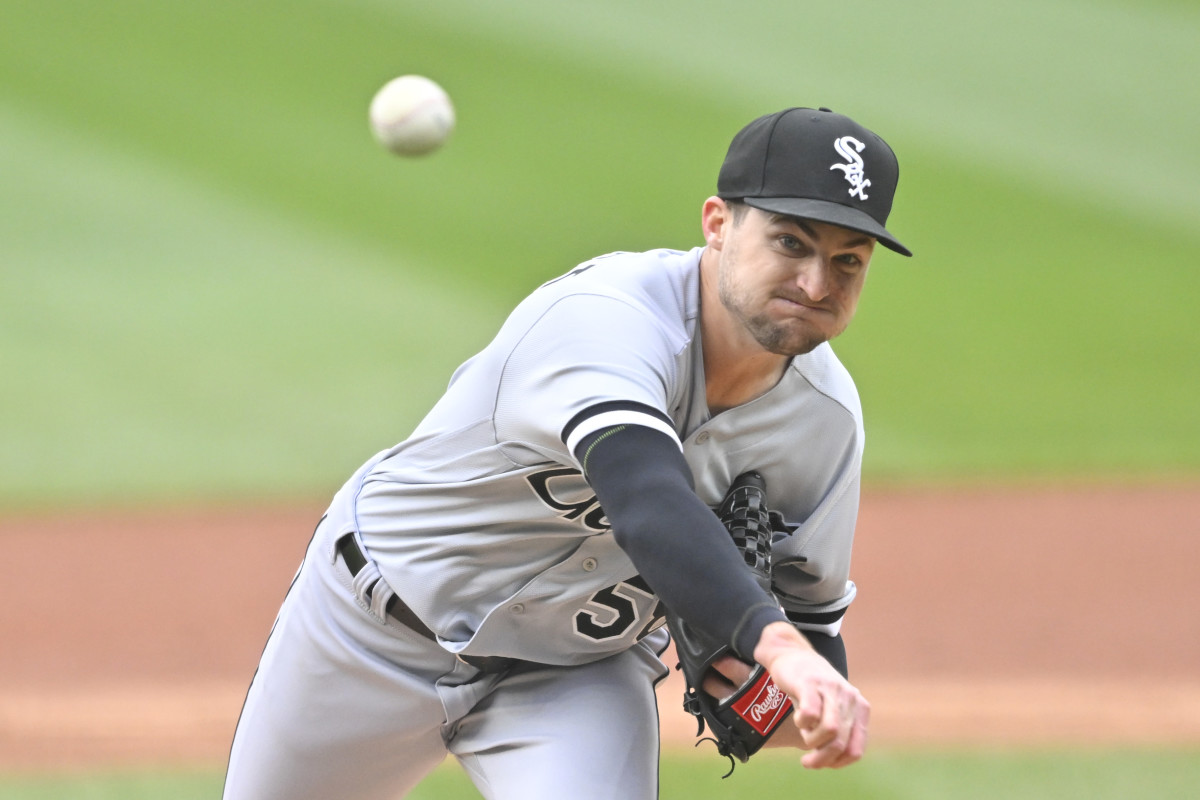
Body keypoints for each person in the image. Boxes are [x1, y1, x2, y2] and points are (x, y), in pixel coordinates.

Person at [222, 106, 912, 800]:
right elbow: (647, 499)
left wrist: (793, 706)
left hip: (576, 675)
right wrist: (776, 645)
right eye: (791, 242)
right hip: (370, 635)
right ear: (717, 223)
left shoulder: (825, 421)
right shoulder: (603, 317)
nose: (816, 284)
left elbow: (809, 622)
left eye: (847, 261)